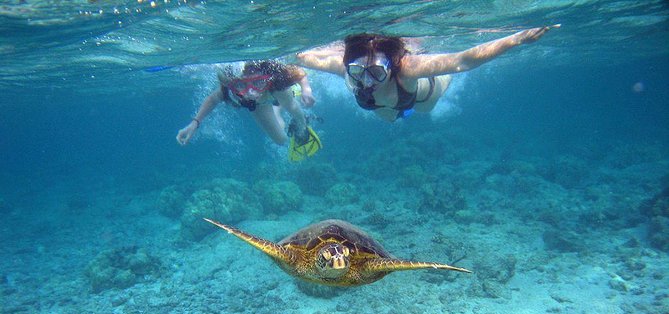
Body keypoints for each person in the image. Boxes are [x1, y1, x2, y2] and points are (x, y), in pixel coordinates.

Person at [296, 27, 556, 122]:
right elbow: (305, 57)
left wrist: (516, 40)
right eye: (357, 71)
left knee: (424, 109)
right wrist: (298, 53)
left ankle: (435, 93)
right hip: (385, 106)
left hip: (421, 97)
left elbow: (462, 61)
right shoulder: (344, 68)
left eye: (376, 72)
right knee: (387, 118)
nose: (365, 81)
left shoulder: (407, 68)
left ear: (390, 67)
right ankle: (398, 114)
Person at [177, 60, 321, 161]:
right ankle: (276, 109)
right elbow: (213, 99)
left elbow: (298, 75)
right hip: (259, 104)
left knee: (290, 105)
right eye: (241, 85)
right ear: (232, 84)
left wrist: (306, 91)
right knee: (281, 140)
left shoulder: (276, 82)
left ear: (266, 79)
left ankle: (285, 100)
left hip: (273, 93)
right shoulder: (229, 88)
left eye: (258, 82)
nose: (250, 92)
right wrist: (194, 123)